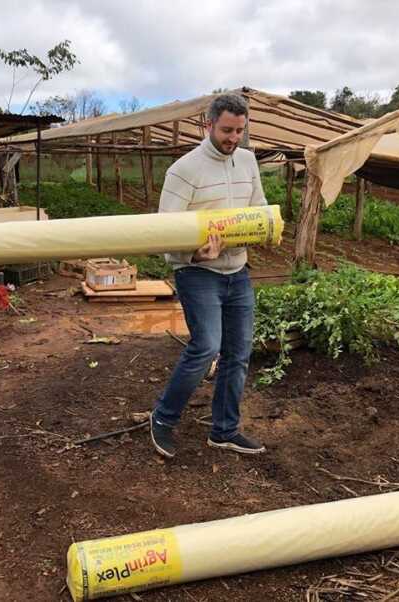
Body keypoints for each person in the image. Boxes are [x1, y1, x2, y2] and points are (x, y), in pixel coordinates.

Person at [150, 93, 268, 459]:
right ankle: (162, 418)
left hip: (238, 271)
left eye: (239, 131)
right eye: (227, 130)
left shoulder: (247, 161)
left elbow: (260, 209)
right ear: (208, 125)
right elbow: (164, 233)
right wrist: (193, 252)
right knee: (206, 348)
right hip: (198, 272)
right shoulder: (184, 170)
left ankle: (225, 430)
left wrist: (258, 229)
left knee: (239, 354)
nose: (233, 138)